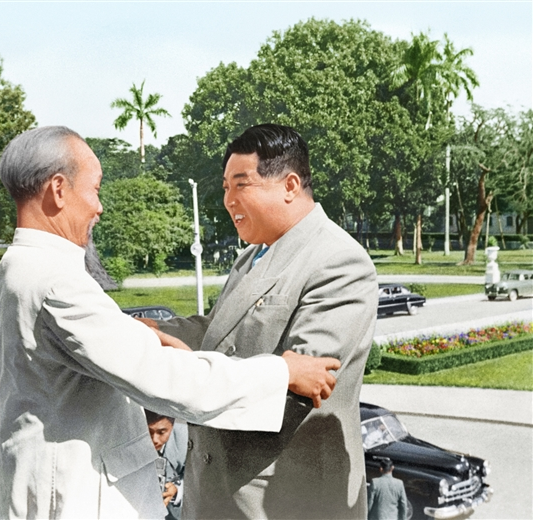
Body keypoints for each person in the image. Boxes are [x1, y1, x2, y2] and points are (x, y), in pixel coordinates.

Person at [0, 125, 342, 519]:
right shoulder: (55, 282)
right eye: (95, 189)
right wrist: (282, 372)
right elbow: (164, 379)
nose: (98, 207)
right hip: (75, 499)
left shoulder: (20, 267)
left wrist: (147, 337)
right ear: (58, 189)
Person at [143, 124, 378, 519]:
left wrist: (178, 373)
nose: (227, 200)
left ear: (289, 185)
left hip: (281, 500)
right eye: (224, 187)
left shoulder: (339, 262)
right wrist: (158, 332)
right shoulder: (252, 254)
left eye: (241, 185)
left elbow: (301, 385)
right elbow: (218, 332)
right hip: (214, 495)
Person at [145, 410, 187, 520]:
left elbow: (200, 481)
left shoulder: (187, 438)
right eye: (148, 431)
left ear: (172, 426)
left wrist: (177, 490)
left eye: (162, 432)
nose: (154, 440)